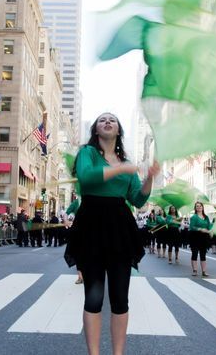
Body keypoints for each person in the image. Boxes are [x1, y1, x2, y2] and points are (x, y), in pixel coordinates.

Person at [64, 112, 159, 355]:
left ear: (118, 131)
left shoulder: (126, 162)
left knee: (120, 299)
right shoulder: (88, 153)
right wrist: (120, 169)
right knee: (93, 298)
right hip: (91, 225)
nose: (107, 122)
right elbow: (86, 178)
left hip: (119, 228)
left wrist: (148, 179)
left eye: (113, 120)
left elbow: (137, 199)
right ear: (96, 129)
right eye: (102, 119)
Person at [189, 202, 211, 277]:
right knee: (194, 253)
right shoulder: (194, 217)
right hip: (195, 236)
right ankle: (194, 270)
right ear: (195, 208)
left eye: (200, 206)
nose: (199, 207)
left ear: (202, 207)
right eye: (197, 206)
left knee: (203, 254)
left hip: (204, 237)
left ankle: (204, 271)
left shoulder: (206, 217)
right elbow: (191, 227)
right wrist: (200, 229)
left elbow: (209, 226)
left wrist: (210, 231)